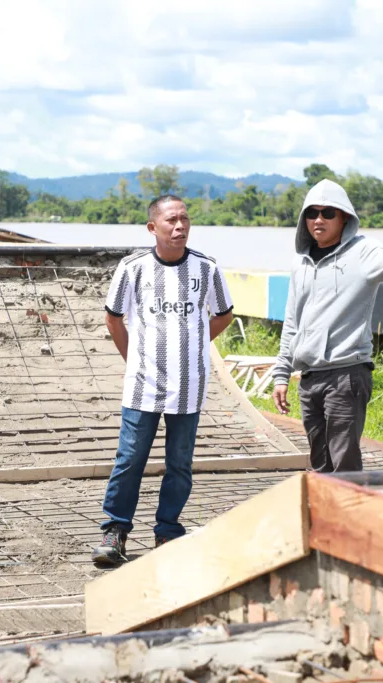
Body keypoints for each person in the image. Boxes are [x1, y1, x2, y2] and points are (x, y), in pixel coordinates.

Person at [92, 194, 235, 566]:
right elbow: (113, 318)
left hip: (189, 384)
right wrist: (134, 359)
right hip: (142, 384)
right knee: (130, 459)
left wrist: (195, 342)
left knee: (180, 463)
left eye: (184, 219)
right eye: (171, 220)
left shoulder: (206, 268)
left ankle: (168, 530)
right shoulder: (133, 268)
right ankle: (115, 530)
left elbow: (224, 314)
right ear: (152, 227)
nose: (180, 226)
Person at [270, 179, 383, 473]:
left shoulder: (362, 252)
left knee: (344, 464)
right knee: (320, 462)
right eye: (312, 213)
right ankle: (327, 505)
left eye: (328, 213)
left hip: (346, 375)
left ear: (344, 218)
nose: (318, 220)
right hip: (310, 377)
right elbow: (292, 321)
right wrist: (281, 374)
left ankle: (351, 502)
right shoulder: (300, 262)